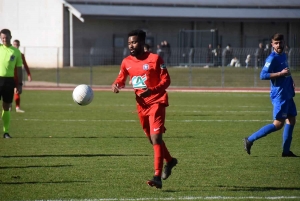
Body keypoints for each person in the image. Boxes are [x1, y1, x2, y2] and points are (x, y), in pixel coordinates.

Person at [112, 29, 177, 189]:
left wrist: (153, 90)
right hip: (141, 105)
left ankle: (157, 176)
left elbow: (167, 80)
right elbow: (121, 79)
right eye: (129, 43)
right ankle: (170, 161)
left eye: (134, 42)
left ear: (142, 43)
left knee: (156, 138)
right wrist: (117, 85)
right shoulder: (126, 61)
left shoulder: (155, 59)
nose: (131, 45)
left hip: (157, 102)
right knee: (151, 139)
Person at [243, 33, 297, 157]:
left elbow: (286, 70)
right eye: (276, 43)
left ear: (284, 42)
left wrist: (291, 80)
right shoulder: (271, 58)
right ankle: (250, 140)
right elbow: (263, 75)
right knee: (278, 124)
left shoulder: (283, 54)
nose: (279, 45)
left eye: (281, 42)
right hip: (280, 95)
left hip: (287, 93)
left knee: (292, 119)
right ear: (272, 44)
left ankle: (286, 151)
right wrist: (280, 74)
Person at [0, 29, 23, 138]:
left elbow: (19, 69)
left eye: (7, 37)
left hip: (9, 81)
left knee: (6, 107)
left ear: (11, 37)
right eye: (3, 37)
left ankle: (6, 132)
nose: (5, 39)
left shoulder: (16, 51)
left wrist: (19, 84)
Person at [12, 39, 32, 113]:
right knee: (8, 91)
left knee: (17, 91)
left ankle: (17, 108)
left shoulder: (21, 55)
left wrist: (29, 74)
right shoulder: (10, 53)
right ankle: (9, 106)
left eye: (17, 45)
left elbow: (25, 65)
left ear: (19, 45)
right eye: (14, 44)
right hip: (9, 75)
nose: (15, 46)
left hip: (17, 76)